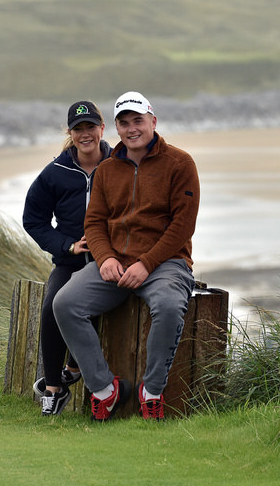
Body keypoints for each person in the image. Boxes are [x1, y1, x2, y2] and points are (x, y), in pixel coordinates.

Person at [53, 91, 199, 421]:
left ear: (153, 122)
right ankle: (105, 390)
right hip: (115, 263)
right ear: (116, 128)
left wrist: (146, 264)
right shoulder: (107, 170)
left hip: (166, 263)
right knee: (65, 303)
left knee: (168, 305)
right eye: (124, 123)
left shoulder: (180, 163)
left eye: (138, 121)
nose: (132, 129)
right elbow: (93, 222)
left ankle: (152, 391)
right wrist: (104, 258)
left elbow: (183, 225)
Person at [22, 101, 112, 416]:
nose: (85, 134)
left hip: (110, 262)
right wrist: (67, 246)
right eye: (78, 129)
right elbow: (33, 220)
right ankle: (53, 388)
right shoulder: (55, 173)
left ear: (102, 128)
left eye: (91, 127)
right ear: (70, 133)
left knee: (97, 307)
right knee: (52, 306)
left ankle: (74, 367)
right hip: (70, 263)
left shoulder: (121, 165)